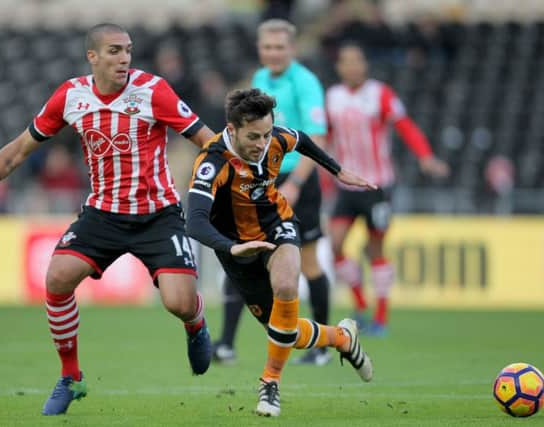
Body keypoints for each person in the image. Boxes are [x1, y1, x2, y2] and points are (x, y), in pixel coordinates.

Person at [0, 23, 214, 416]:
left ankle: (196, 322)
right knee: (56, 278)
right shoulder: (70, 96)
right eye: (114, 51)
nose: (124, 58)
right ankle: (71, 377)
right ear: (93, 56)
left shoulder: (154, 91)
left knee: (179, 303)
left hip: (158, 214)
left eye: (128, 50)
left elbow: (208, 141)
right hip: (102, 213)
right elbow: (17, 152)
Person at [186, 88, 374, 417]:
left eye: (267, 133)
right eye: (253, 136)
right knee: (285, 332)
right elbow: (195, 222)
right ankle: (342, 338)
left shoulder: (276, 139)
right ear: (232, 130)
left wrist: (337, 170)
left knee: (287, 285)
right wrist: (232, 247)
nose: (262, 143)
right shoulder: (212, 161)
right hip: (237, 248)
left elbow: (300, 138)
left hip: (278, 224)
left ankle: (269, 384)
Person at [213, 19, 334, 366]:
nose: (273, 53)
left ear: (292, 49)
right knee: (240, 255)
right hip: (260, 181)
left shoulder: (306, 82)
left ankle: (322, 347)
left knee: (308, 261)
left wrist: (296, 183)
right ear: (260, 48)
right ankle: (225, 343)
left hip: (299, 179)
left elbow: (317, 138)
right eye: (267, 47)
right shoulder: (260, 80)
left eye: (280, 47)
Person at [326, 43, 450, 336]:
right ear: (339, 67)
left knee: (375, 248)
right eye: (347, 61)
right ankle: (359, 304)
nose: (352, 66)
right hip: (345, 185)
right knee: (334, 245)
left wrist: (425, 156)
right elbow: (326, 136)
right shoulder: (332, 97)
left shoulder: (380, 94)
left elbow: (405, 126)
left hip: (377, 186)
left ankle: (381, 317)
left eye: (357, 61)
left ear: (365, 65)